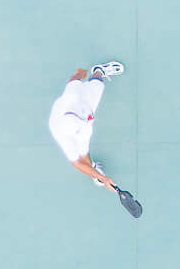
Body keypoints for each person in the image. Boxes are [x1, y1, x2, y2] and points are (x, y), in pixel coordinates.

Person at [48, 61, 142, 214]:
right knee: (82, 152)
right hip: (79, 125)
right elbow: (76, 163)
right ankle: (94, 170)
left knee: (98, 83)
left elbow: (75, 77)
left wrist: (80, 73)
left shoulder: (74, 93)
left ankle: (99, 70)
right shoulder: (61, 133)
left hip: (85, 112)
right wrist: (103, 179)